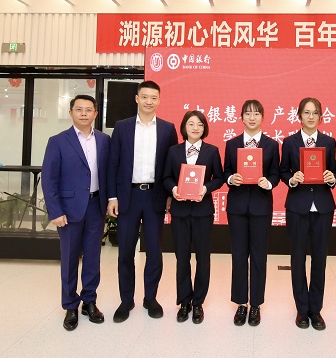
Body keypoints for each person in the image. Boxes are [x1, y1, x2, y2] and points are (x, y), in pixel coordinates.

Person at [107, 80, 178, 323]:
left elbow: (172, 166)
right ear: (137, 98)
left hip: (155, 196)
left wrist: (169, 194)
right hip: (128, 196)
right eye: (145, 97)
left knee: (154, 252)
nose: (149, 101)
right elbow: (113, 164)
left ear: (159, 100)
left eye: (153, 97)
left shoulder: (168, 129)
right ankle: (126, 300)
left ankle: (150, 298)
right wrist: (112, 197)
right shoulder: (122, 127)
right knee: (125, 252)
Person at [41, 95, 110, 331]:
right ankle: (70, 305)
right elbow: (49, 179)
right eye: (79, 109)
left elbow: (108, 172)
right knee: (70, 258)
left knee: (92, 257)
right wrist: (55, 210)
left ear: (95, 114)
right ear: (70, 112)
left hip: (96, 206)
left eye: (88, 110)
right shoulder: (58, 141)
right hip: (69, 210)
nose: (83, 113)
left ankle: (89, 301)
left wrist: (110, 200)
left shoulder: (104, 140)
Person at [280, 97, 336, 330]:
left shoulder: (329, 142)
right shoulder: (289, 142)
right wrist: (292, 179)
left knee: (320, 259)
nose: (311, 116)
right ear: (299, 116)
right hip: (297, 206)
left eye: (315, 113)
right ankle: (302, 309)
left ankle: (316, 309)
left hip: (323, 206)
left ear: (320, 116)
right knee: (298, 258)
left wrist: (332, 178)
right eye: (306, 112)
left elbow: (334, 169)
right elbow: (283, 171)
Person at [163, 111, 224, 324]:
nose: (195, 127)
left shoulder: (212, 151)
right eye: (191, 124)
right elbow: (166, 177)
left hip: (202, 212)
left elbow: (219, 178)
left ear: (204, 128)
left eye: (200, 124)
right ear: (184, 127)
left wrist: (206, 188)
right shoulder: (173, 151)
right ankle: (184, 301)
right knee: (182, 257)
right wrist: (174, 189)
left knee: (203, 258)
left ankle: (198, 302)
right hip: (180, 210)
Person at [223, 99, 280, 327]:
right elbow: (225, 171)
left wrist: (269, 182)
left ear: (263, 117)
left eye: (256, 114)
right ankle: (240, 303)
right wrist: (231, 178)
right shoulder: (232, 144)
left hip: (261, 206)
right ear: (241, 117)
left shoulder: (271, 145)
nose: (252, 117)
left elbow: (276, 173)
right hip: (237, 207)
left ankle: (255, 303)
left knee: (258, 256)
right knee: (238, 255)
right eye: (248, 113)